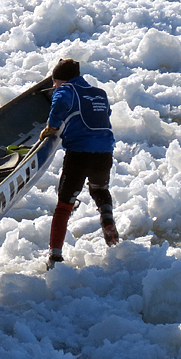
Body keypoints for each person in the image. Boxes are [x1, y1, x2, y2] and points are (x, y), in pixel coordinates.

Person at [39, 58, 118, 270]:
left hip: (79, 154)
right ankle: (107, 220)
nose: (54, 87)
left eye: (54, 82)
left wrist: (52, 127)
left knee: (64, 205)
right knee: (100, 189)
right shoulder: (100, 93)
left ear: (60, 79)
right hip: (105, 153)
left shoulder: (66, 89)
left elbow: (60, 103)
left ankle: (54, 257)